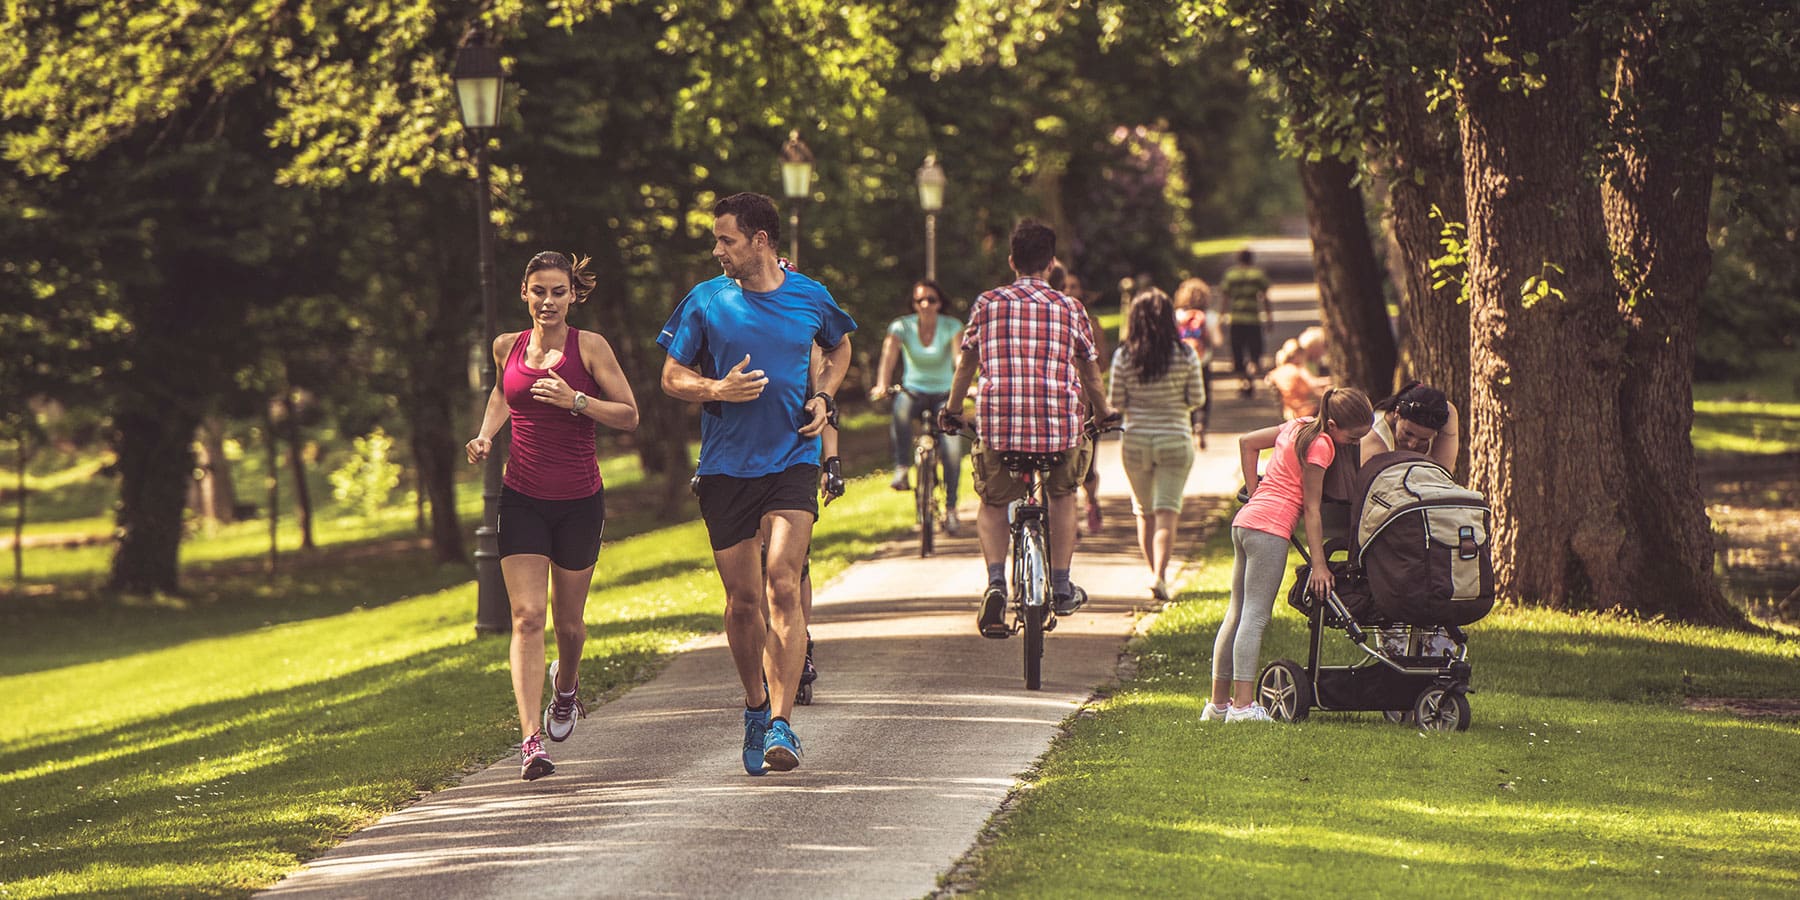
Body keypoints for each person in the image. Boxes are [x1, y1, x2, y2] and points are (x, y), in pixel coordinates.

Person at [658, 192, 855, 775]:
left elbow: (840, 346)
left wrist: (824, 396)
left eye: (727, 240)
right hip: (725, 469)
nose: (718, 251)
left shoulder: (809, 296)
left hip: (792, 457)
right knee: (744, 603)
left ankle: (783, 724)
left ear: (760, 240)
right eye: (717, 241)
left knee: (782, 582)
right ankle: (754, 703)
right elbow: (671, 374)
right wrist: (715, 390)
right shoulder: (706, 300)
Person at [466, 251, 640, 780]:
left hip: (580, 502)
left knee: (569, 625)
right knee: (525, 618)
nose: (547, 301)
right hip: (521, 498)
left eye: (558, 291)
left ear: (572, 295)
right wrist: (485, 434)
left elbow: (630, 416)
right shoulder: (506, 347)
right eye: (538, 291)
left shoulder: (590, 348)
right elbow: (503, 393)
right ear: (524, 293)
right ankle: (529, 741)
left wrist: (575, 400)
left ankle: (566, 688)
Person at [943, 221, 1117, 637]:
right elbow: (1090, 375)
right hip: (1059, 426)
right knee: (1063, 492)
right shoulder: (1071, 308)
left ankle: (997, 583)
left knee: (992, 500)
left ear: (1011, 261)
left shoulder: (987, 303)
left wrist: (951, 410)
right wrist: (1104, 413)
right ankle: (1059, 584)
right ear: (1051, 263)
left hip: (1000, 426)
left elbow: (966, 364)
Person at [1207, 387, 1372, 723]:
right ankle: (1242, 707)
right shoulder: (1322, 445)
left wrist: (1255, 492)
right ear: (1335, 423)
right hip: (1269, 530)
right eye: (1353, 437)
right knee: (1255, 617)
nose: (1355, 443)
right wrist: (1320, 566)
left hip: (1245, 523)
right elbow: (1312, 510)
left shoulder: (1297, 425)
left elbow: (1247, 442)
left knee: (1236, 614)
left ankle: (1217, 705)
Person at [1108, 288, 1205, 602]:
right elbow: (1197, 399)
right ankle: (1160, 576)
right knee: (1167, 512)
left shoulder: (1124, 355)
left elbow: (1117, 402)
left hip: (1136, 441)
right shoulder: (1187, 354)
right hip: (1175, 439)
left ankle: (1153, 574)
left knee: (1144, 512)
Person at [868, 279, 967, 535]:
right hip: (913, 390)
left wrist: (967, 384)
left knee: (953, 448)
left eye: (931, 299)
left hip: (945, 394)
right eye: (919, 300)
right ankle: (902, 468)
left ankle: (952, 508)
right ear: (913, 303)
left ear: (940, 302)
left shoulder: (952, 326)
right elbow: (889, 356)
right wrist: (882, 384)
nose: (925, 304)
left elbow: (959, 359)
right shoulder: (901, 326)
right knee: (900, 409)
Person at [1049, 262, 1107, 534]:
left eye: (1074, 287)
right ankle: (1066, 518)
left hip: (1086, 401)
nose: (1070, 290)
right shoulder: (1050, 319)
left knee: (1087, 464)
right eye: (1065, 286)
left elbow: (1102, 361)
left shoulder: (1091, 324)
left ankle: (1092, 502)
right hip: (1058, 399)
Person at [1361, 380, 1461, 474]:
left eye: (1423, 439)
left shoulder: (1447, 413)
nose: (1412, 444)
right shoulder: (1374, 443)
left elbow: (1441, 477)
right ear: (1397, 413)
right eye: (1408, 433)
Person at [1218, 248, 1273, 396]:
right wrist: (1269, 317)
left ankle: (1243, 380)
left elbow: (1225, 298)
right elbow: (1265, 297)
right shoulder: (1258, 275)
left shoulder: (1231, 275)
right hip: (1253, 319)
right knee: (1255, 351)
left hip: (1236, 319)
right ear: (1252, 259)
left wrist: (1221, 317)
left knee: (1238, 351)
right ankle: (1251, 373)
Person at [1172, 277, 1218, 449]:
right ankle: (1201, 425)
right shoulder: (1209, 316)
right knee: (1204, 395)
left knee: (1185, 395)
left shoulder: (1176, 316)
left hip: (1182, 362)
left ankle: (1189, 427)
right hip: (1203, 361)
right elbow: (1218, 340)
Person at [1265, 338, 1332, 420]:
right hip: (1302, 410)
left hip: (1288, 411)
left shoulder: (1276, 372)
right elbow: (1312, 385)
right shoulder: (1298, 370)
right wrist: (1331, 381)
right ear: (1298, 355)